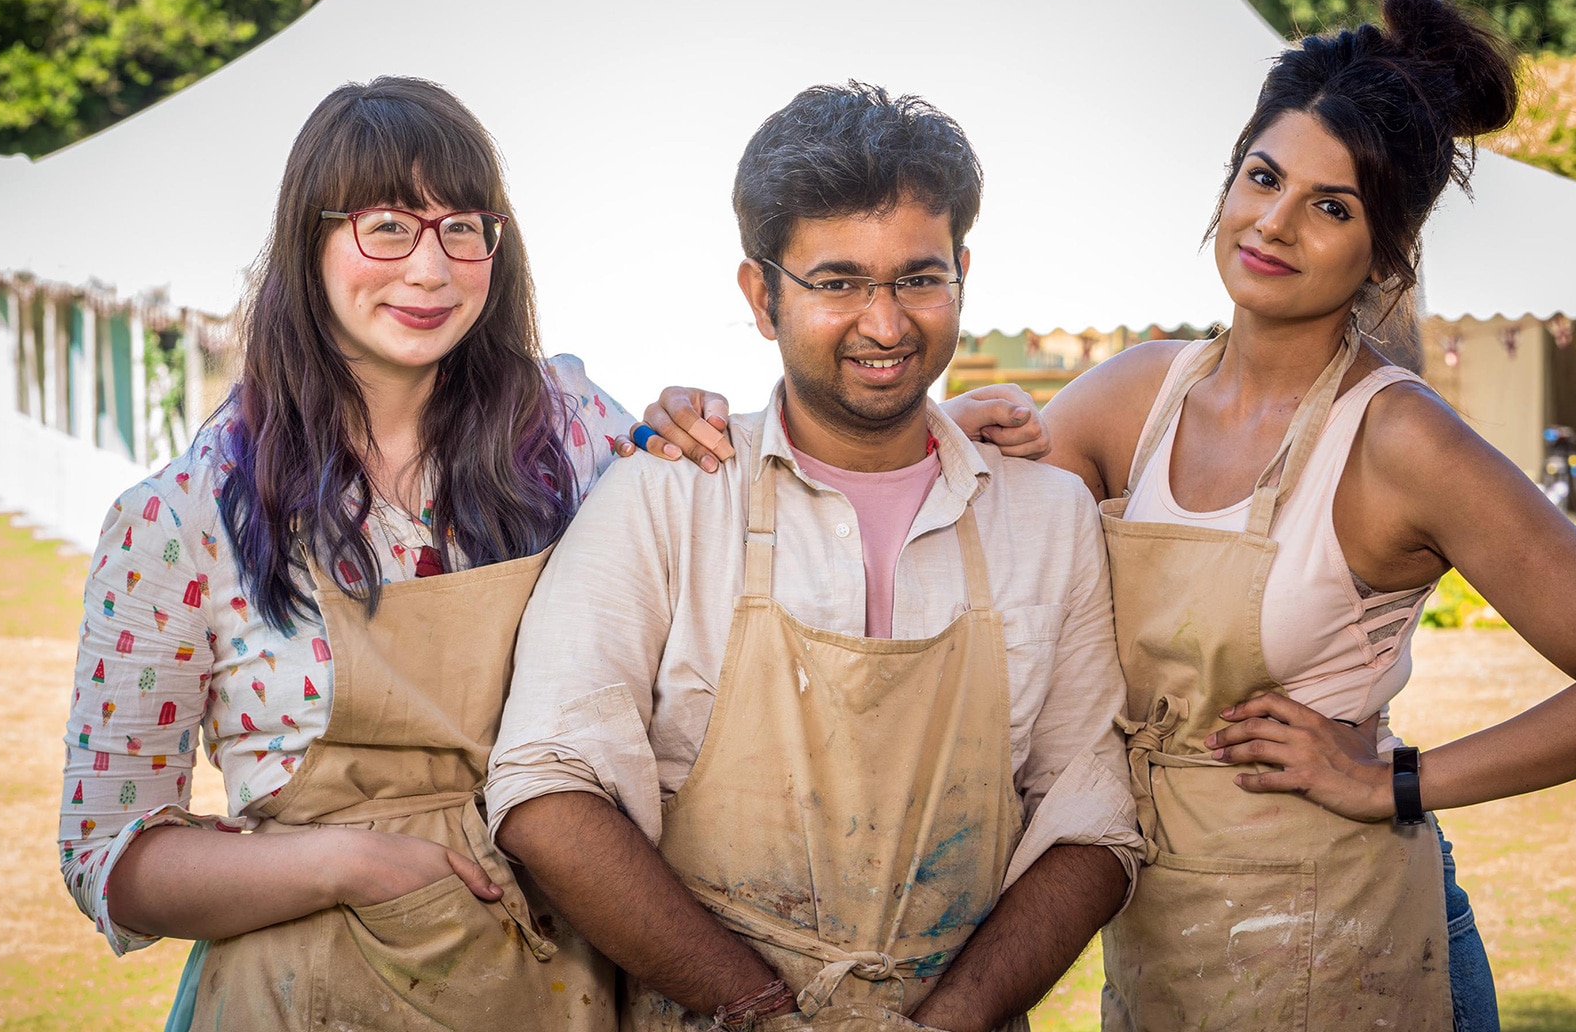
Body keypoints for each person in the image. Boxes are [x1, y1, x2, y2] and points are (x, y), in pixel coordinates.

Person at [55, 75, 1053, 1030]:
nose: (430, 268)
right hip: (306, 987)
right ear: (306, 242)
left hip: (560, 981)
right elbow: (109, 856)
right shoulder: (180, 521)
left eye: (463, 228)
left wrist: (920, 431)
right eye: (385, 226)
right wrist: (353, 865)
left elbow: (757, 499)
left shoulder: (569, 428)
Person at [1034, 0, 1576, 1030]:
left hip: (1350, 947)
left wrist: (1396, 780)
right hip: (1167, 944)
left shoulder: (1398, 440)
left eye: (1331, 207)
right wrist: (699, 426)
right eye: (1262, 177)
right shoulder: (1136, 397)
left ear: (1386, 250)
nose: (1273, 222)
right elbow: (954, 501)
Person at [486, 82, 1142, 1032]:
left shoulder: (1046, 519)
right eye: (837, 283)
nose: (885, 323)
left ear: (963, 270)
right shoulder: (669, 497)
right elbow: (545, 790)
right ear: (762, 295)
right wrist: (764, 1013)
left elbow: (1090, 824)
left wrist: (948, 1023)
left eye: (919, 278)